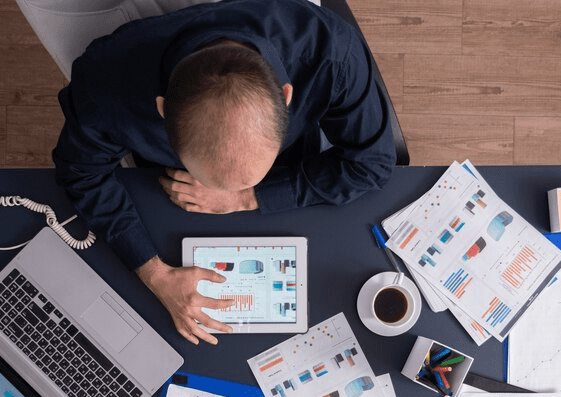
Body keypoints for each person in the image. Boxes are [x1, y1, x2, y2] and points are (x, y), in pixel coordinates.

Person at [53, 0, 396, 345]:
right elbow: (81, 171)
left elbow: (372, 163)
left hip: (288, 175)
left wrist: (246, 197)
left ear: (286, 96)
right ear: (162, 109)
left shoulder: (331, 53)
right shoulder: (107, 84)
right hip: (167, 193)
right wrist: (154, 273)